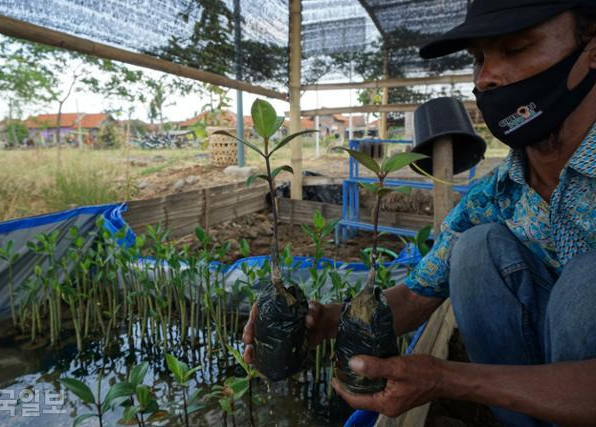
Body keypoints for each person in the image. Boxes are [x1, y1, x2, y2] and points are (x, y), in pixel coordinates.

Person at [243, 0, 596, 425]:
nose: (486, 78)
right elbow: (415, 295)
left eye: (517, 49)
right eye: (479, 58)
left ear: (591, 48)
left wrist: (448, 379)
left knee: (586, 284)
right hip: (533, 387)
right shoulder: (495, 196)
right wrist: (329, 321)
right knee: (474, 250)